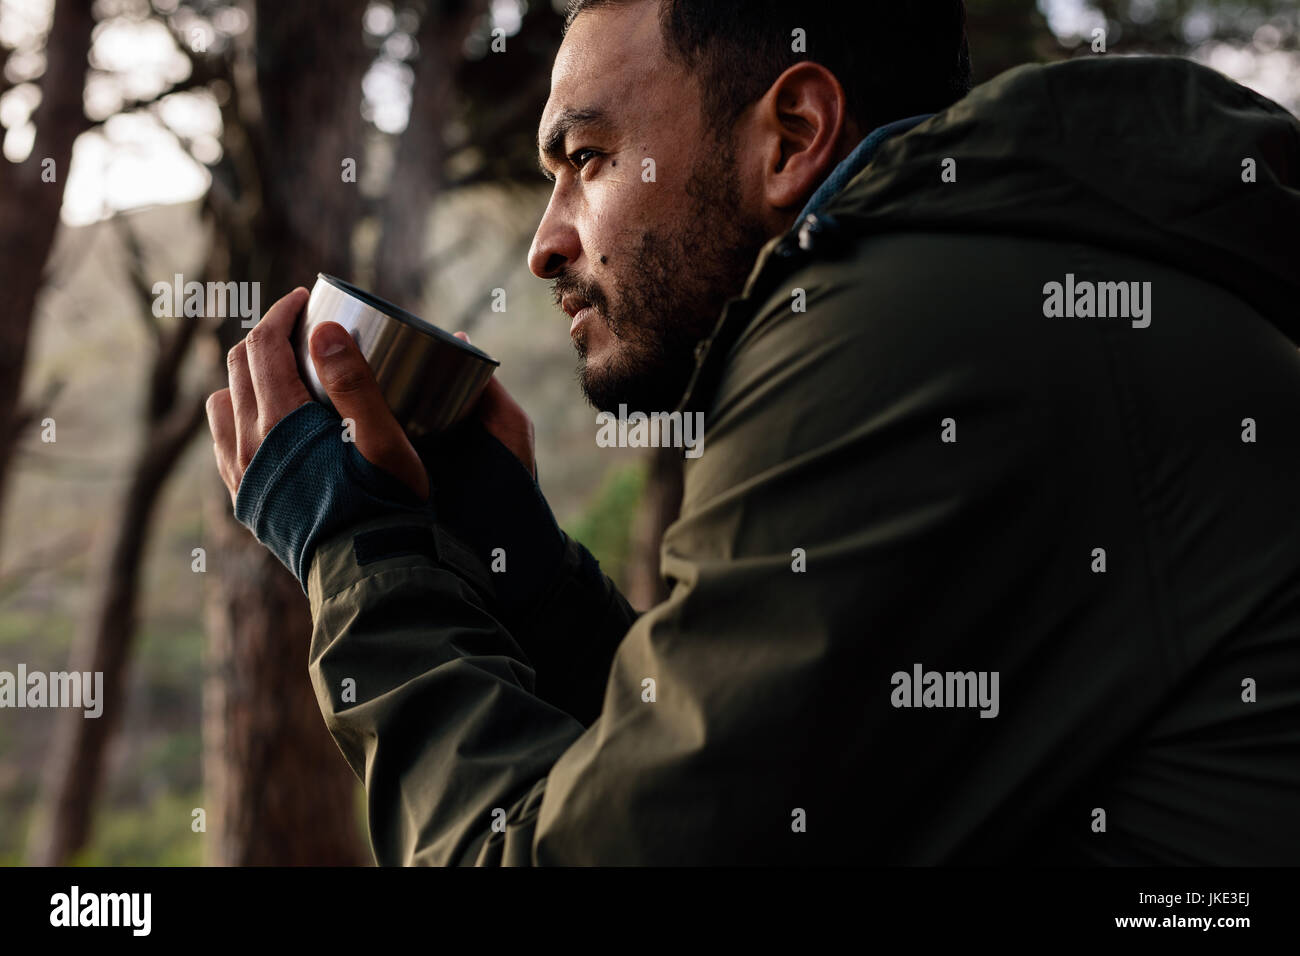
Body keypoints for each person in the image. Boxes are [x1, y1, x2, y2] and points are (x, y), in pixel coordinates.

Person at [205, 0, 1300, 864]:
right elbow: (753, 770)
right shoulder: (1008, 280)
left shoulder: (903, 327)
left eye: (585, 158)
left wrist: (356, 552)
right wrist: (523, 576)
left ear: (791, 134)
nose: (546, 244)